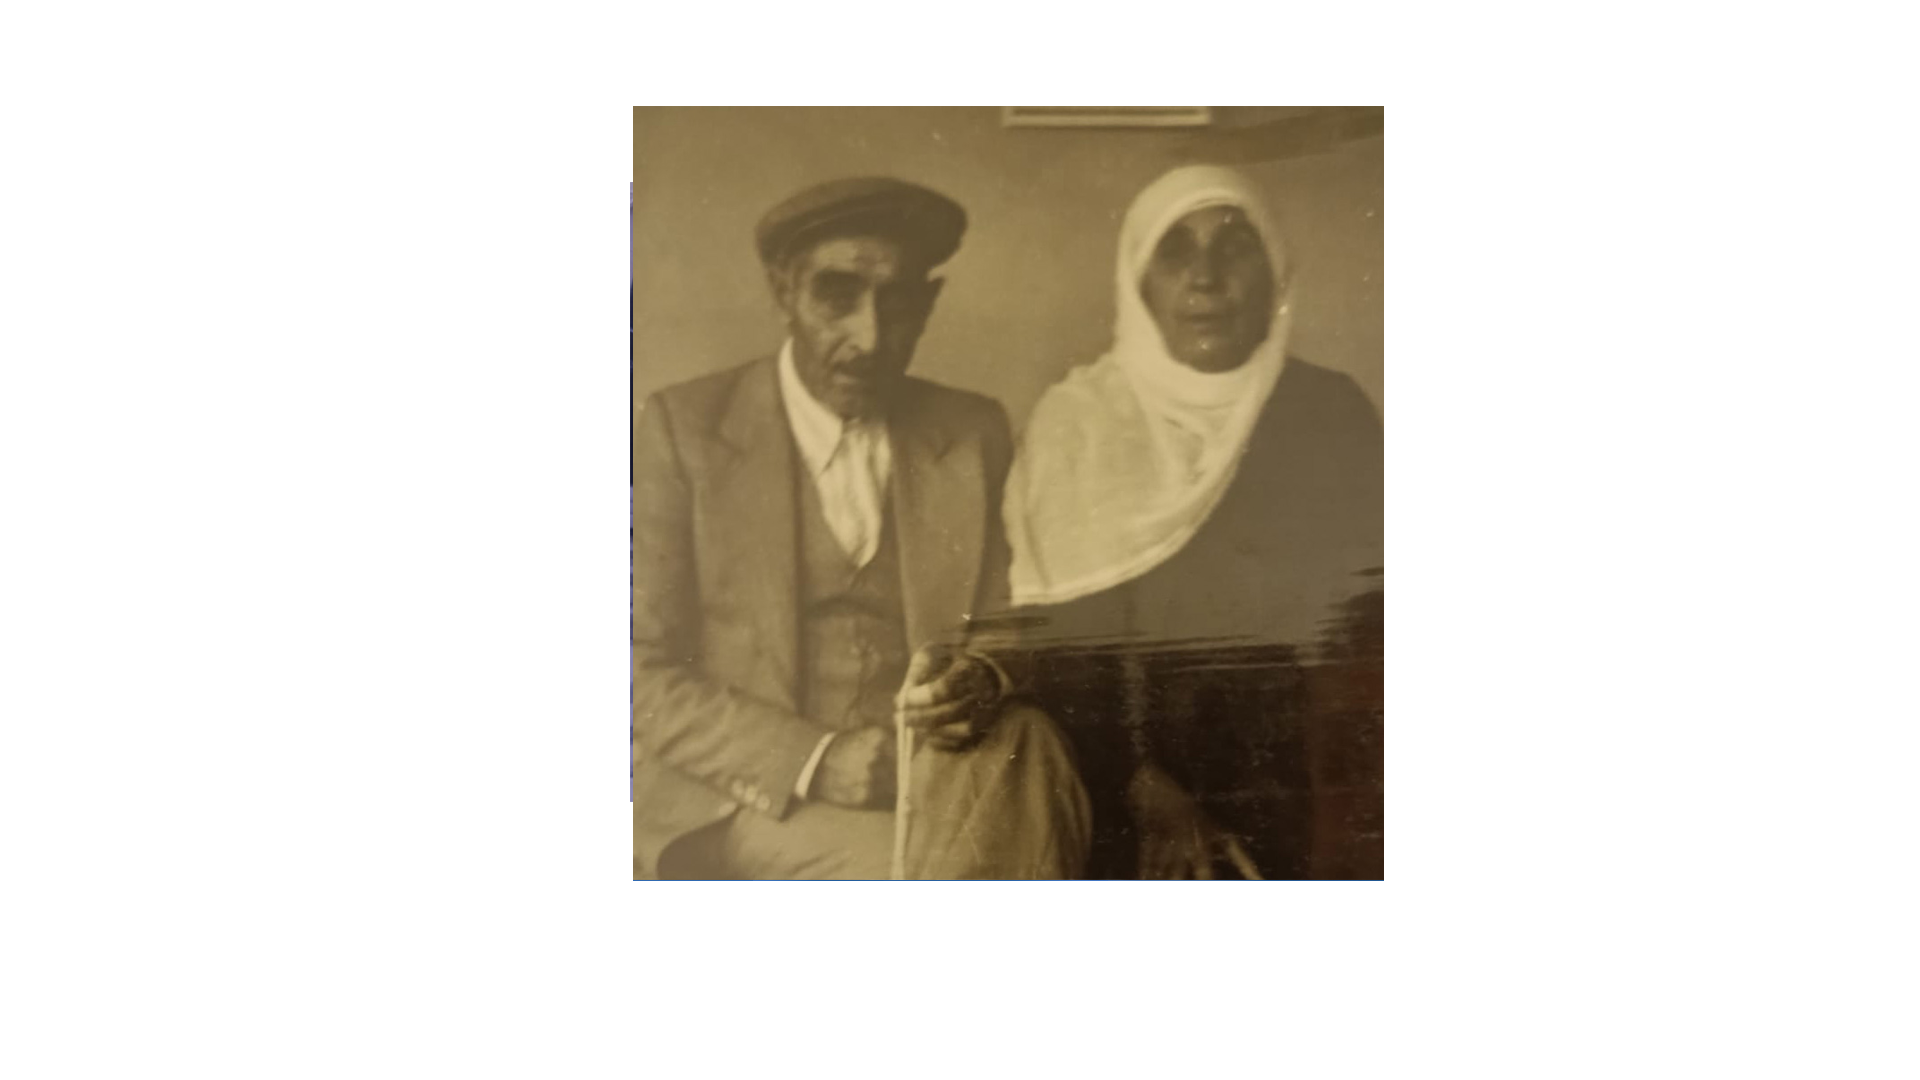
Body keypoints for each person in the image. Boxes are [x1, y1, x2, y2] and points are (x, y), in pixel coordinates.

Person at [633, 177, 1091, 880]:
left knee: (1032, 752)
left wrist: (980, 677)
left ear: (928, 304)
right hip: (752, 790)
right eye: (836, 295)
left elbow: (1008, 618)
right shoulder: (683, 428)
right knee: (945, 869)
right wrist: (815, 759)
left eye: (897, 301)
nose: (870, 337)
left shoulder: (972, 430)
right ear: (783, 291)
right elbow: (636, 669)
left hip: (931, 770)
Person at [1003, 165, 1383, 880]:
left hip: (1301, 777)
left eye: (1234, 248)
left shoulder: (1330, 413)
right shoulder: (1078, 423)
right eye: (1175, 252)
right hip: (1120, 778)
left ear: (1274, 275)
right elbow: (1062, 652)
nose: (1205, 279)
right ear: (1138, 282)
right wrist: (1143, 787)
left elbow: (1370, 634)